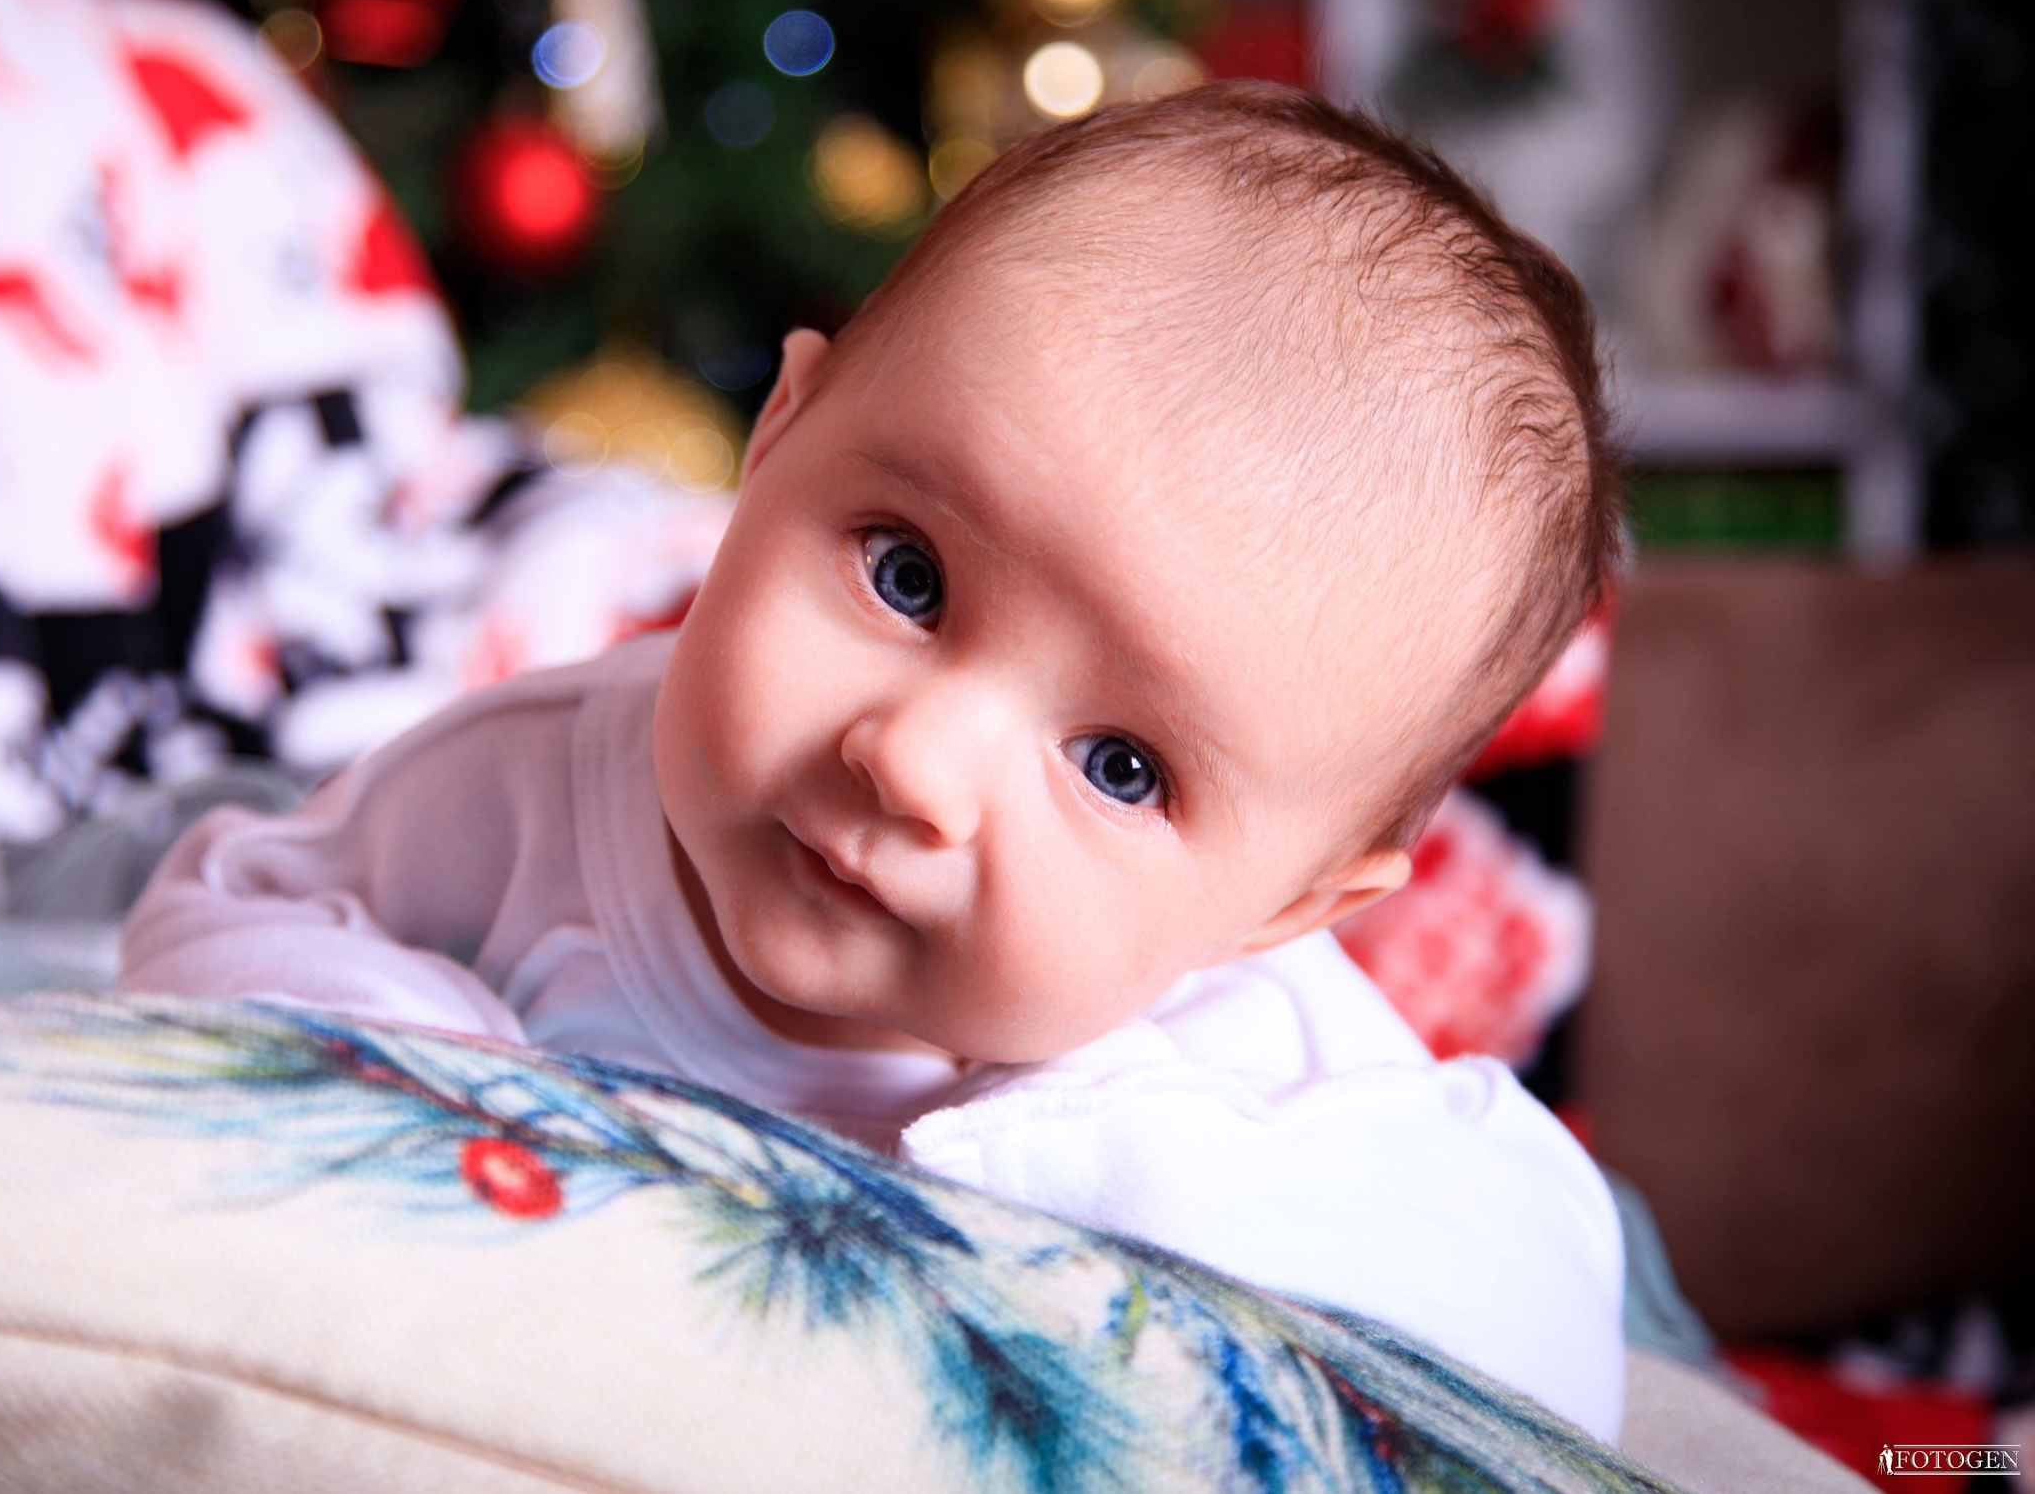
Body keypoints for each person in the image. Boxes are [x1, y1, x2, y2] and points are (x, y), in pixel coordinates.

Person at [118, 81, 1629, 1437]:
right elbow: (219, 921)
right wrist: (441, 1075)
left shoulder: (1244, 1055)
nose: (914, 764)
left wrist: (1116, 1187)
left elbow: (1545, 1320)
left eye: (1119, 767)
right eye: (905, 576)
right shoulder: (524, 792)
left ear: (1289, 902)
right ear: (773, 441)